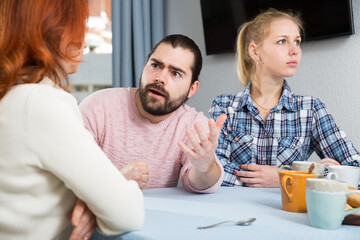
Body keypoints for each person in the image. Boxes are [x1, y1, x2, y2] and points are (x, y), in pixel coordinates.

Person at [0, 0, 144, 239]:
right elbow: (128, 213)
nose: (85, 42)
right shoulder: (41, 103)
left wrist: (89, 200)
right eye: (78, 28)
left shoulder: (12, 96)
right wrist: (96, 203)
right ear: (50, 29)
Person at [209, 8, 360, 188]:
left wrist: (286, 176)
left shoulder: (310, 109)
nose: (294, 50)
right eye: (282, 41)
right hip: (233, 212)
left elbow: (355, 170)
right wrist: (310, 176)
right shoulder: (224, 106)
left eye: (297, 42)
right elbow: (212, 173)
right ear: (255, 52)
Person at [79, 34, 226, 194]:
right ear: (144, 66)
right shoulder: (97, 106)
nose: (160, 78)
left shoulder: (193, 125)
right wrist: (117, 183)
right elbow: (68, 172)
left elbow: (202, 184)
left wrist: (205, 166)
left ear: (192, 89)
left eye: (175, 73)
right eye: (155, 65)